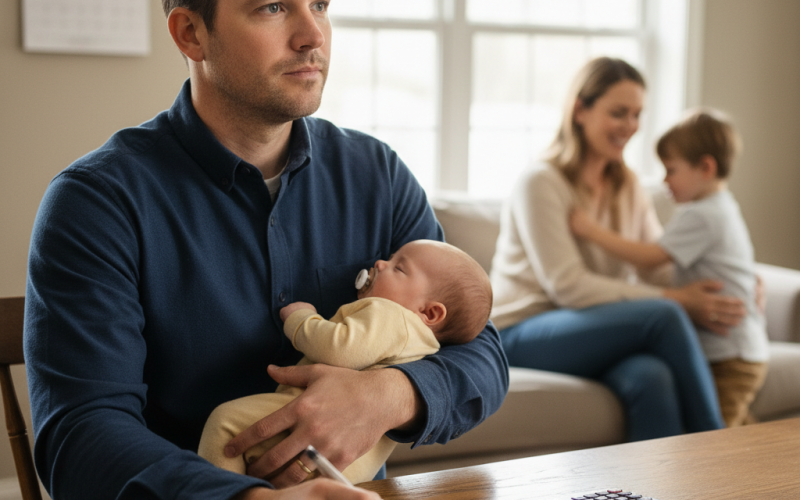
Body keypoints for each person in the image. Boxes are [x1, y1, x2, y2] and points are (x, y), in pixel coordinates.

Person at [23, 2, 508, 499]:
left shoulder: (377, 175)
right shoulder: (96, 203)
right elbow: (81, 435)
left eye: (320, 4)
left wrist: (387, 395)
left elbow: (482, 354)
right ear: (191, 33)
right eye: (273, 7)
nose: (313, 35)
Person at [490, 57, 743, 441]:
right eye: (618, 113)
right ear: (580, 110)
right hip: (522, 332)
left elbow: (658, 265)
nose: (630, 126)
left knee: (652, 377)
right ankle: (719, 448)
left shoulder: (628, 185)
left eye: (637, 114)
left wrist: (734, 280)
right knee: (664, 314)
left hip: (597, 329)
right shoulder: (540, 182)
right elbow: (568, 286)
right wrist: (676, 299)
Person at [198, 239, 492, 484]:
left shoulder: (392, 315)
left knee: (225, 424)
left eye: (399, 268)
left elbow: (339, 348)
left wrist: (301, 319)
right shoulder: (420, 342)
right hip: (350, 464)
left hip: (311, 432)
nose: (380, 264)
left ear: (429, 313)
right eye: (390, 258)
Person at [569, 109, 768, 427]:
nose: (664, 181)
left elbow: (649, 257)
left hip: (728, 355)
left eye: (671, 170)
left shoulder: (700, 215)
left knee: (719, 442)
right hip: (741, 350)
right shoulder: (724, 206)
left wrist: (592, 232)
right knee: (739, 429)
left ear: (706, 167)